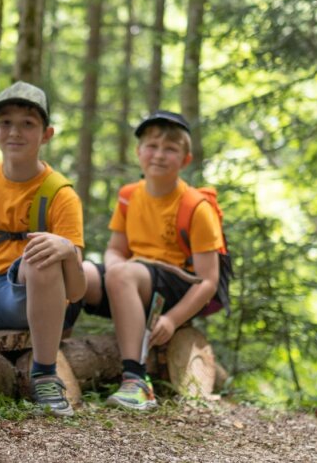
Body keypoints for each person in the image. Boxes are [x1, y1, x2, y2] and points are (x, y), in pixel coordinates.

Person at [0, 82, 86, 417]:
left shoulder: (59, 194)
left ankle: (45, 374)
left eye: (28, 123)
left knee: (42, 256)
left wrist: (66, 250)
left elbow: (76, 291)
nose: (15, 132)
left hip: (20, 297)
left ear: (46, 134)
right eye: (6, 122)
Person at [93, 110, 222, 411]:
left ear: (185, 159)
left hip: (174, 283)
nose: (159, 155)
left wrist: (172, 319)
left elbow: (208, 280)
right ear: (138, 152)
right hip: (133, 276)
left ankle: (137, 382)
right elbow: (115, 249)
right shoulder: (128, 196)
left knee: (122, 275)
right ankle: (48, 368)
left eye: (171, 149)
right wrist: (115, 268)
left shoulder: (195, 206)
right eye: (152, 146)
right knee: (82, 273)